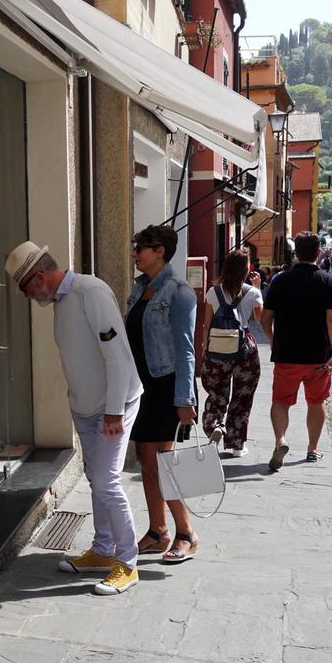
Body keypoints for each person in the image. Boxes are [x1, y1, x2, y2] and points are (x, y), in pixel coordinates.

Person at [6, 240, 143, 595]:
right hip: (86, 408)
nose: (26, 297)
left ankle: (128, 563)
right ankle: (102, 549)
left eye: (24, 289)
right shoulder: (61, 300)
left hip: (113, 407)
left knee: (107, 481)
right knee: (97, 480)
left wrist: (114, 410)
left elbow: (116, 355)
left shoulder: (90, 292)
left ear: (39, 278)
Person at [124, 225, 199, 565]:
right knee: (146, 461)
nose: (136, 252)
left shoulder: (179, 292)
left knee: (162, 464)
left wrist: (185, 399)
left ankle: (186, 533)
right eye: (136, 246)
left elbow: (186, 350)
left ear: (161, 252)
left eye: (143, 247)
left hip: (165, 385)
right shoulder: (139, 290)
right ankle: (158, 532)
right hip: (141, 386)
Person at [256, 232, 332, 472]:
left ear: (296, 253)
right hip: (318, 357)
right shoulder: (328, 281)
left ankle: (281, 440)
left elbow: (265, 318)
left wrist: (273, 341)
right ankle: (312, 449)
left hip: (287, 354)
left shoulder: (280, 281)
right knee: (316, 402)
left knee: (280, 402)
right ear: (318, 253)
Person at [199, 249, 269, 460]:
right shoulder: (252, 292)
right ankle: (237, 445)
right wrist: (257, 290)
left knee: (216, 392)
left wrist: (205, 346)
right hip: (244, 350)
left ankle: (214, 426)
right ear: (247, 269)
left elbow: (207, 324)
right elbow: (259, 318)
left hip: (217, 349)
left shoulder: (213, 292)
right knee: (242, 396)